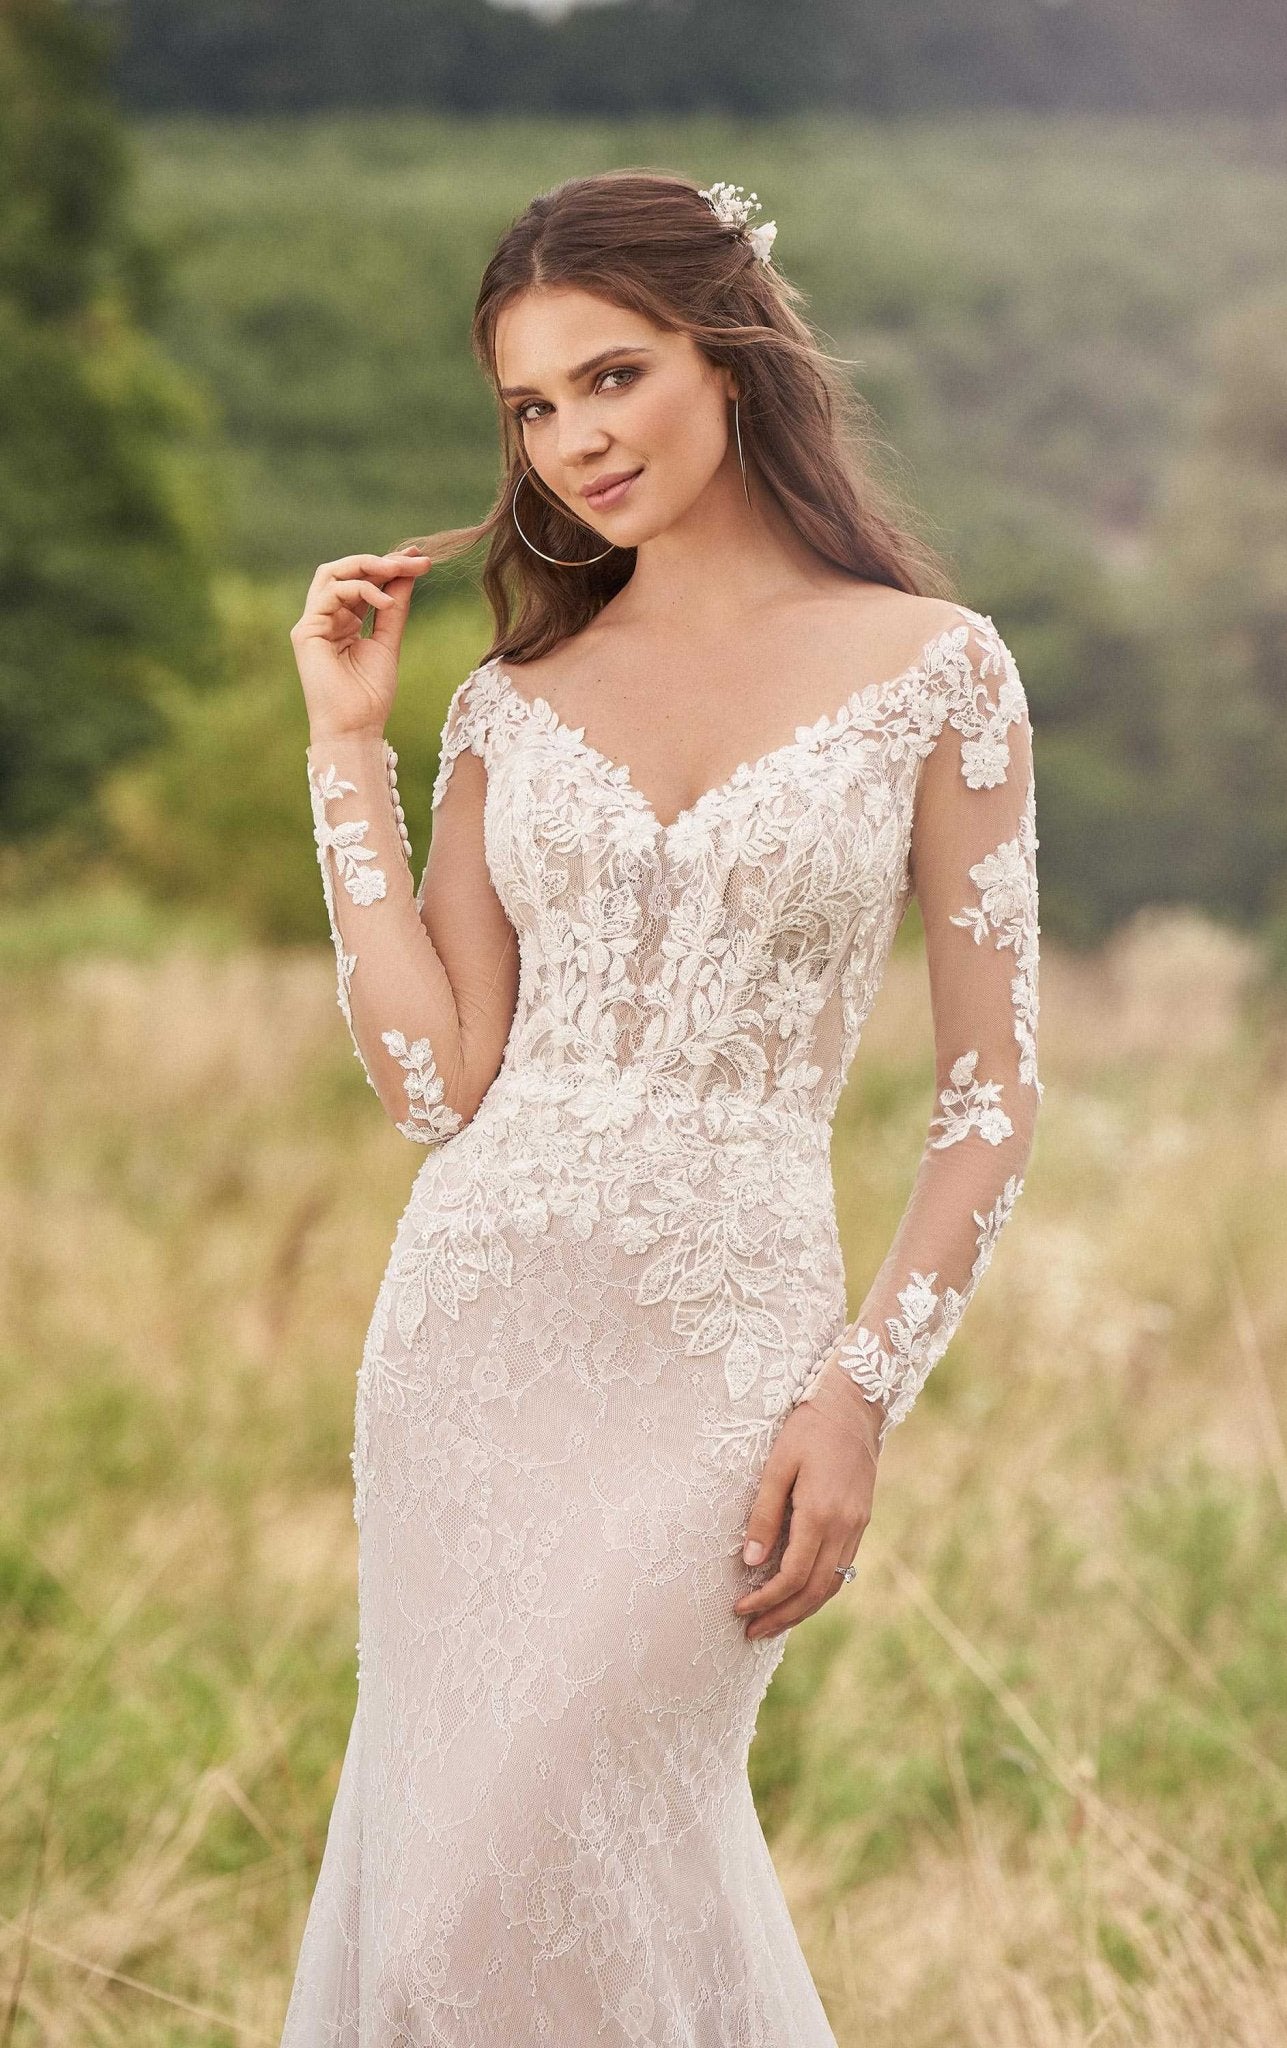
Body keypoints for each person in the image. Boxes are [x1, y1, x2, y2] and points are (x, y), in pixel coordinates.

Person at [282, 169, 1041, 2046]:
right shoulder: (514, 701)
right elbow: (429, 1081)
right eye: (531, 409)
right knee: (456, 1902)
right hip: (472, 1346)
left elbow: (989, 1098)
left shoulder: (931, 672)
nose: (572, 443)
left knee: (599, 1844)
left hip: (725, 1362)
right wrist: (343, 750)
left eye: (609, 378)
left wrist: (857, 1391)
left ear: (732, 350)